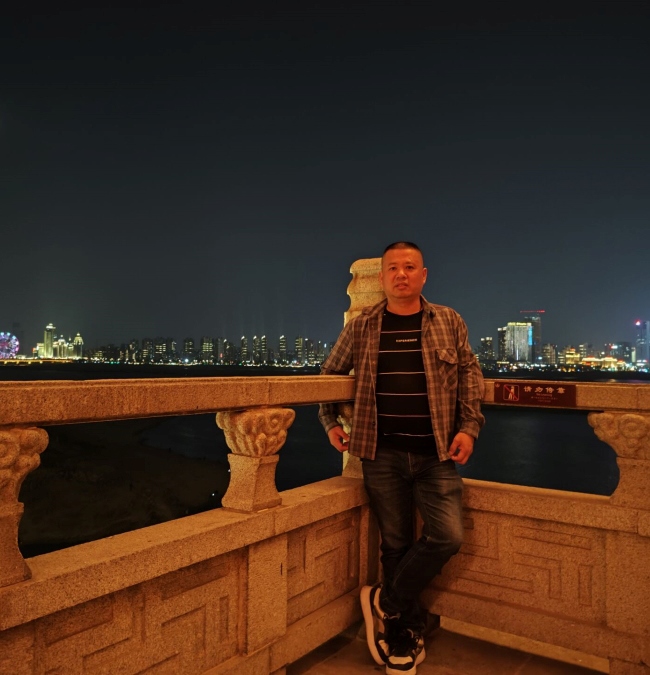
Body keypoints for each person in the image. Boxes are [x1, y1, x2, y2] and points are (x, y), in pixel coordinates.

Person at [318, 242, 484, 675]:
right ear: (382, 277)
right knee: (395, 544)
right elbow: (329, 373)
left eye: (410, 267)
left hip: (437, 453)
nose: (401, 274)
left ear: (423, 275)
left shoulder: (448, 320)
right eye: (393, 268)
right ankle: (403, 634)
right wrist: (330, 420)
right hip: (382, 453)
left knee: (447, 537)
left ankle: (384, 601)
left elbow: (470, 374)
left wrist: (469, 427)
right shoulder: (363, 327)